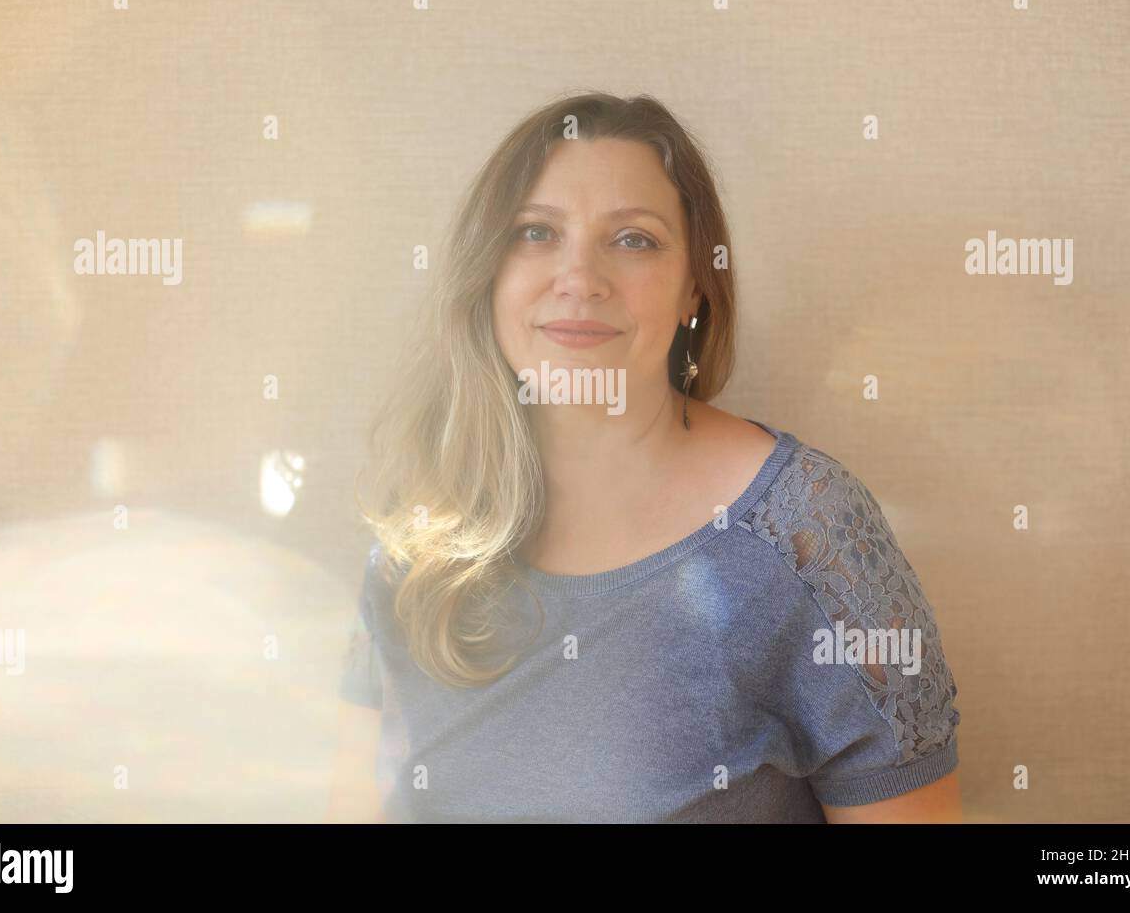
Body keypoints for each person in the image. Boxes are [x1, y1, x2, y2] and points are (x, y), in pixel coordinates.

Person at [328, 91, 961, 823]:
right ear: (488, 275)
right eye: (536, 233)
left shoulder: (808, 531)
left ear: (695, 285)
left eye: (633, 240)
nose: (579, 278)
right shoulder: (419, 537)